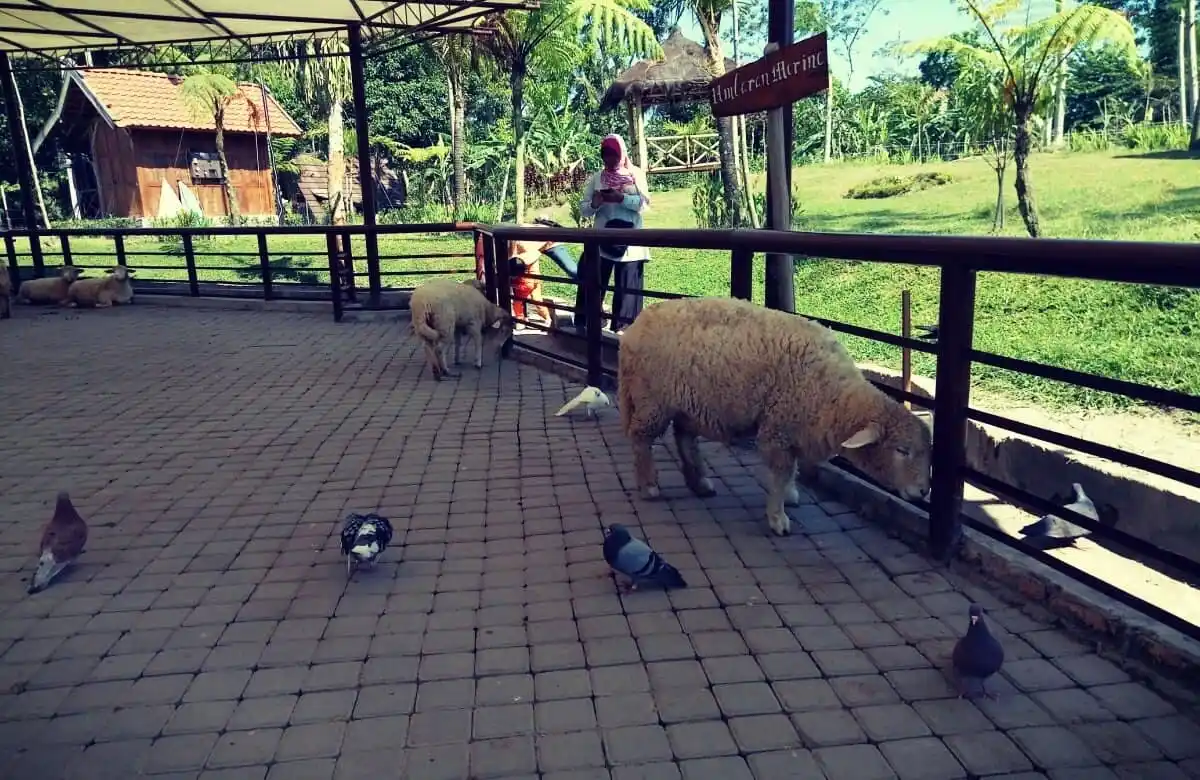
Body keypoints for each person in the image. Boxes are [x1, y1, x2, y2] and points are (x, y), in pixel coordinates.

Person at [576, 134, 651, 335]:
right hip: (602, 242)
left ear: (622, 154)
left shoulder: (636, 175)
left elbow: (644, 204)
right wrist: (595, 203)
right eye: (606, 156)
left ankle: (624, 334)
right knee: (592, 286)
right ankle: (589, 328)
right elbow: (583, 209)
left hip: (631, 245)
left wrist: (622, 198)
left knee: (627, 294)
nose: (610, 161)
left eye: (614, 156)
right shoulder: (597, 178)